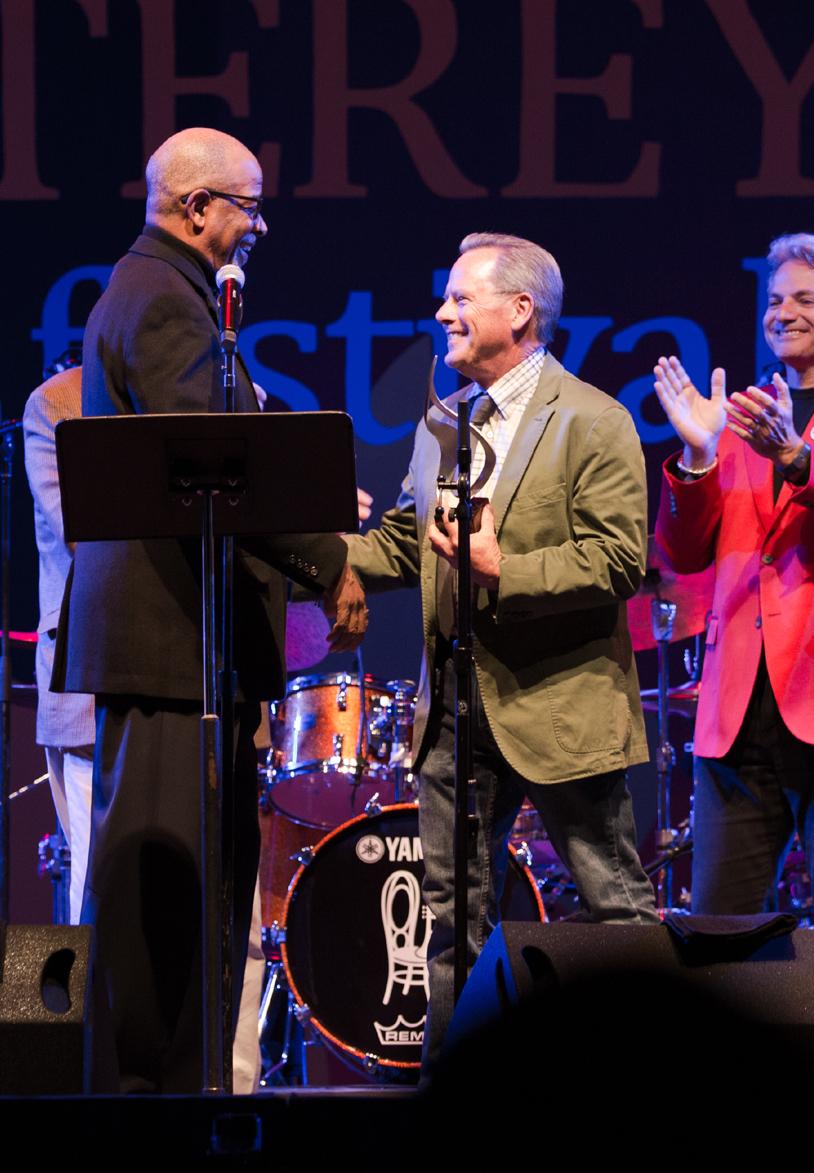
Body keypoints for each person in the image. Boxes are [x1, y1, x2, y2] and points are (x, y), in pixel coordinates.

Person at [55, 127, 368, 1092]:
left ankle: (174, 1095)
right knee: (166, 902)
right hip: (164, 650)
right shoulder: (158, 300)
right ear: (196, 209)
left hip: (183, 647)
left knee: (199, 895)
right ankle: (147, 1109)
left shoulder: (174, 296)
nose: (259, 224)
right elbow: (219, 464)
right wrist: (329, 561)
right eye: (248, 204)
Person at [347, 232, 657, 1069]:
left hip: (559, 703)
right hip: (452, 707)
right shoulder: (443, 421)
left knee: (614, 903)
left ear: (520, 311)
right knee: (452, 916)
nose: (442, 312)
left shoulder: (592, 418)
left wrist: (502, 569)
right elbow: (412, 542)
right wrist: (318, 548)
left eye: (461, 298)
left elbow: (620, 559)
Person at [650, 233, 814, 938]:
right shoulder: (741, 414)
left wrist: (800, 459)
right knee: (719, 928)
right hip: (738, 707)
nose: (783, 312)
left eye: (806, 297)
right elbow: (681, 551)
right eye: (774, 300)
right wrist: (699, 455)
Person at [23, 356, 91, 924]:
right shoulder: (58, 402)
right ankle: (93, 1016)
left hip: (213, 678)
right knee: (99, 885)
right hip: (91, 684)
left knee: (223, 908)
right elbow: (83, 532)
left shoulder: (240, 389)